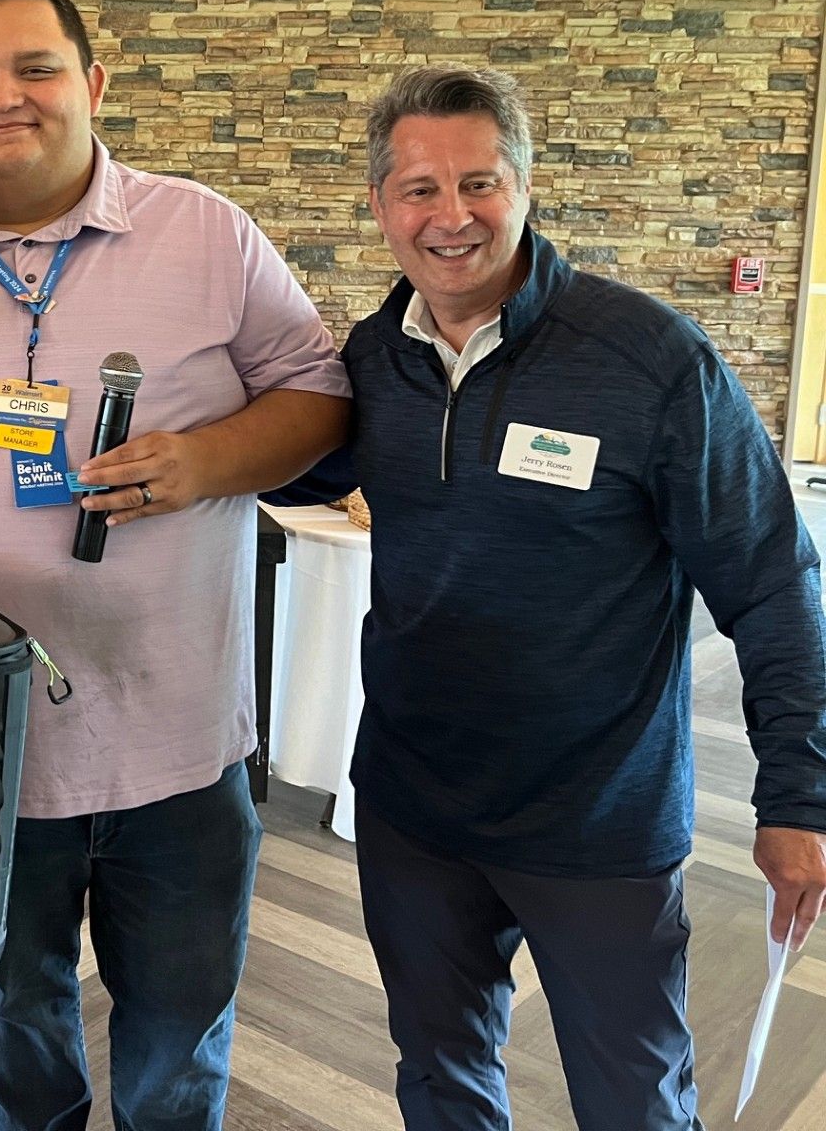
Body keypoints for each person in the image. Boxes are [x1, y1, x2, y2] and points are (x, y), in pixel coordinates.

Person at [0, 0, 352, 1131]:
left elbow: (319, 396)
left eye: (36, 68)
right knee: (13, 1020)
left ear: (94, 85)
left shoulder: (208, 235)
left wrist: (206, 460)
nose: (5, 95)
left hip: (180, 742)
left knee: (180, 1038)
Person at [341, 63, 826, 1130]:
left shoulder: (650, 360)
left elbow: (774, 583)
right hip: (417, 810)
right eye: (419, 189)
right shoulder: (373, 361)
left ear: (524, 187)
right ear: (380, 205)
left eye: (480, 182)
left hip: (598, 820)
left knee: (633, 1100)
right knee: (440, 1074)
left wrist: (799, 796)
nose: (451, 215)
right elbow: (283, 464)